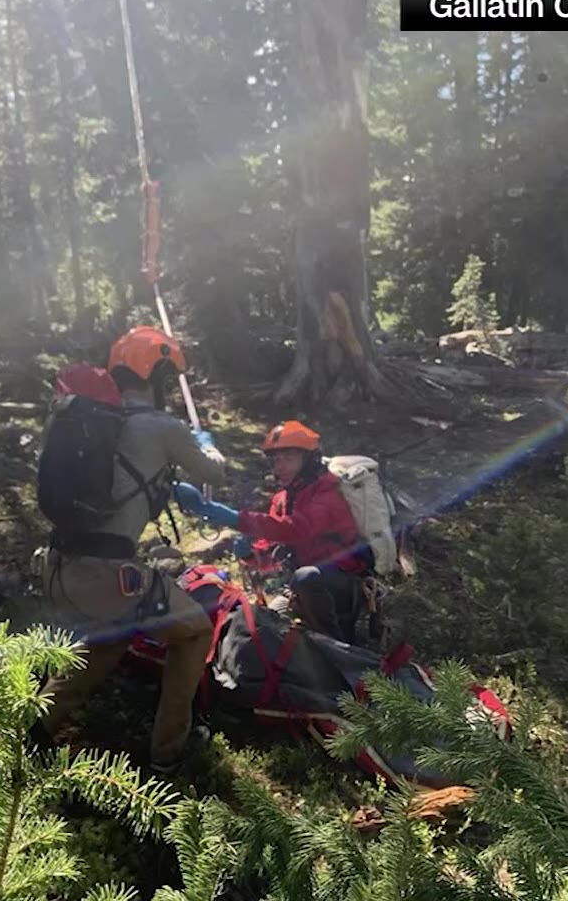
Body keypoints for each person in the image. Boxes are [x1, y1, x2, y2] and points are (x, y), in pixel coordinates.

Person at [36, 326, 227, 775]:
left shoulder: (83, 418)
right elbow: (214, 474)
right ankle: (168, 752)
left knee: (111, 638)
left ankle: (33, 728)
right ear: (159, 377)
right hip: (106, 576)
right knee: (195, 630)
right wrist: (206, 444)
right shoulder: (163, 426)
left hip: (56, 567)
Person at [172, 420, 366, 642]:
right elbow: (276, 554)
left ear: (309, 461)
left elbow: (295, 530)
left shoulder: (329, 493)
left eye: (288, 459)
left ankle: (339, 647)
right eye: (275, 460)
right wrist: (250, 555)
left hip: (341, 587)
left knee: (305, 577)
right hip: (303, 591)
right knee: (262, 624)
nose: (279, 467)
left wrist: (234, 518)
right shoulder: (283, 500)